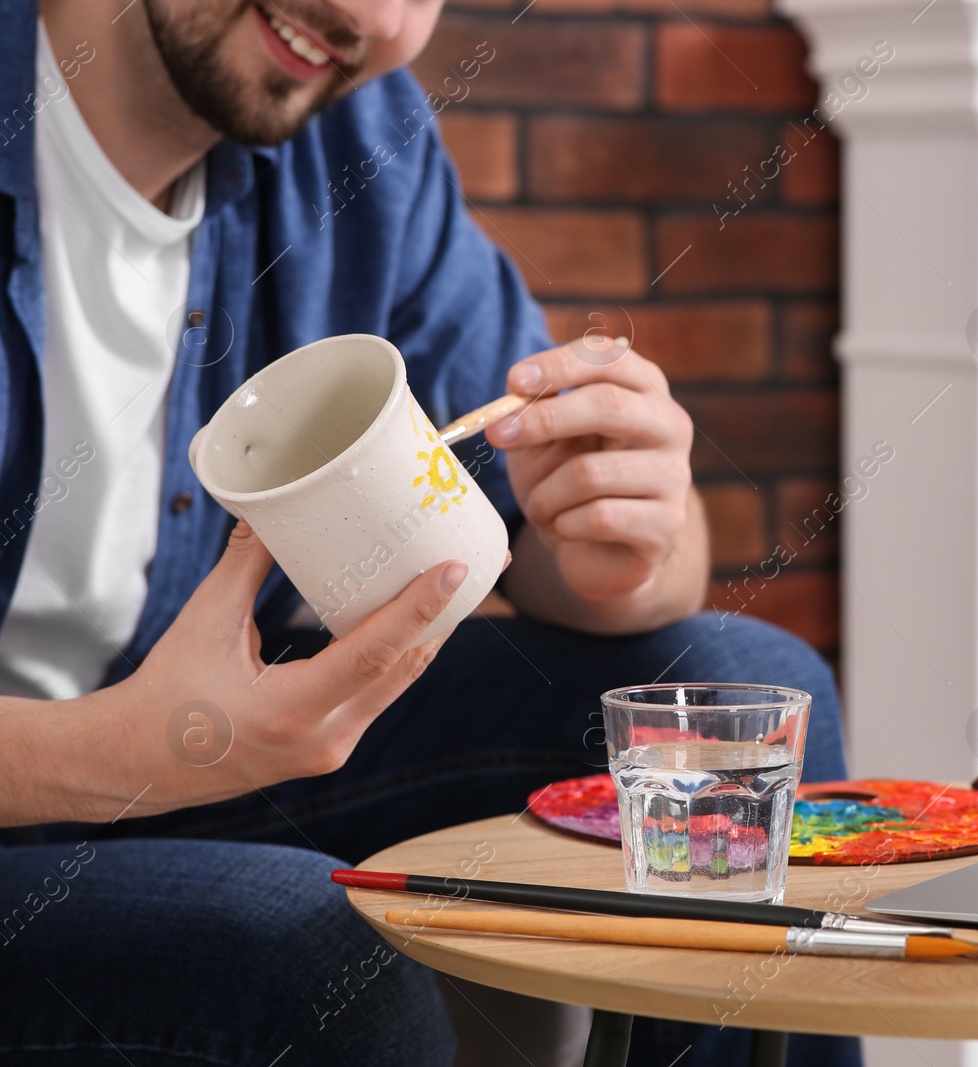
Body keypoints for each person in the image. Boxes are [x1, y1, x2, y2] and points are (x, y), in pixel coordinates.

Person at [0, 2, 860, 1065]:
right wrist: (128, 749)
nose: (366, 13)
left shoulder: (357, 146)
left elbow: (574, 546)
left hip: (183, 781)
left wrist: (626, 540)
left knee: (738, 693)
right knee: (307, 944)